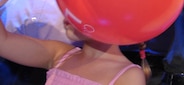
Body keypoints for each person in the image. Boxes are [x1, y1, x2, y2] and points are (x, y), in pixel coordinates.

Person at [0, 10, 144, 84]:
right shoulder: (60, 55)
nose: (68, 13)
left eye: (82, 9)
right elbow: (3, 42)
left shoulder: (128, 75)